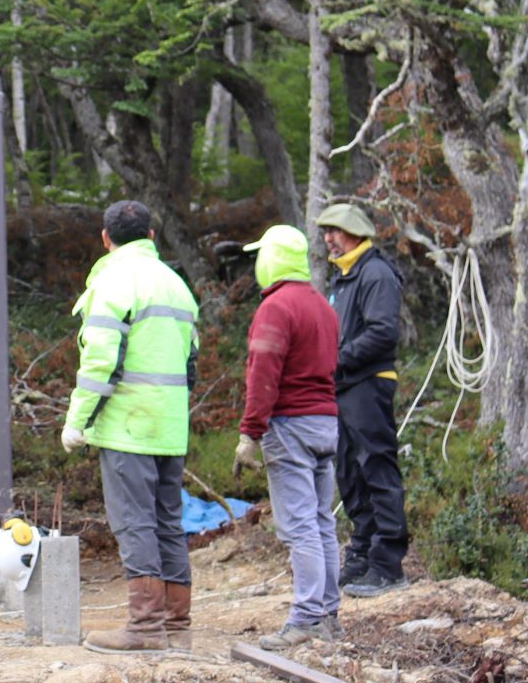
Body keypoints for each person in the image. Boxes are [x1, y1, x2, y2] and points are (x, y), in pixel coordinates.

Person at [62, 199, 200, 654]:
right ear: (152, 236)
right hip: (169, 426)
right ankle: (177, 625)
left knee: (134, 523)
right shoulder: (177, 286)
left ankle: (144, 629)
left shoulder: (113, 282)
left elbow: (100, 361)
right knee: (167, 522)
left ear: (106, 238)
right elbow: (191, 363)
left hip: (127, 427)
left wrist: (77, 420)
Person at [229, 224, 342, 648]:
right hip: (326, 423)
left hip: (291, 425)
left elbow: (264, 374)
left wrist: (249, 433)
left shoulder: (276, 307)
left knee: (299, 525)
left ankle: (307, 617)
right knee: (321, 521)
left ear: (270, 259)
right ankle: (328, 615)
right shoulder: (322, 306)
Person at [316, 201, 409, 598]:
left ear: (355, 230)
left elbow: (382, 334)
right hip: (345, 387)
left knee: (377, 467)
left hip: (369, 384)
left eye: (334, 230)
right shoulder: (343, 279)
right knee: (349, 472)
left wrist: (333, 361)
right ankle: (362, 555)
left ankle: (388, 564)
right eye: (325, 232)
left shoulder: (376, 274)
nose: (328, 239)